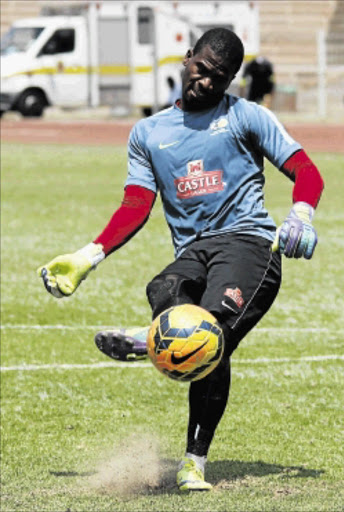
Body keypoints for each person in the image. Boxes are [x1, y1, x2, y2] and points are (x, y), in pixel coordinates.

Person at [38, 28, 324, 492]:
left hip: (249, 246)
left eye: (220, 77)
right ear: (187, 58)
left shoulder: (247, 117)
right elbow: (136, 205)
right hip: (193, 252)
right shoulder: (148, 132)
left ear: (231, 80)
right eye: (202, 69)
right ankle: (160, 339)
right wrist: (88, 255)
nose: (207, 82)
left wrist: (301, 215)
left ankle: (188, 446)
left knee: (208, 332)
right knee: (164, 290)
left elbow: (306, 171)